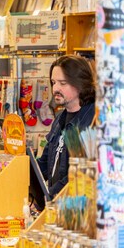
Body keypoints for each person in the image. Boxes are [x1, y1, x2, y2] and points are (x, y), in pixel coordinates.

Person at [37, 55, 96, 198]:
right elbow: (44, 163)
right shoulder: (59, 119)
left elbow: (79, 175)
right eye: (53, 82)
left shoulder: (92, 121)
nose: (56, 88)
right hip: (56, 206)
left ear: (80, 84)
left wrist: (49, 197)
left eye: (63, 83)